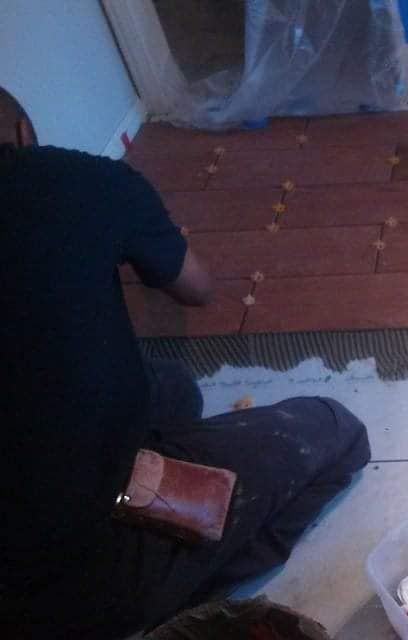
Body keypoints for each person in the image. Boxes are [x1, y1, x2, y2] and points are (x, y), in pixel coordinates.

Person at [0, 87, 371, 638]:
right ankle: (174, 596)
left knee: (175, 389)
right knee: (338, 431)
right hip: (59, 585)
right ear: (23, 136)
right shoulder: (77, 181)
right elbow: (196, 287)